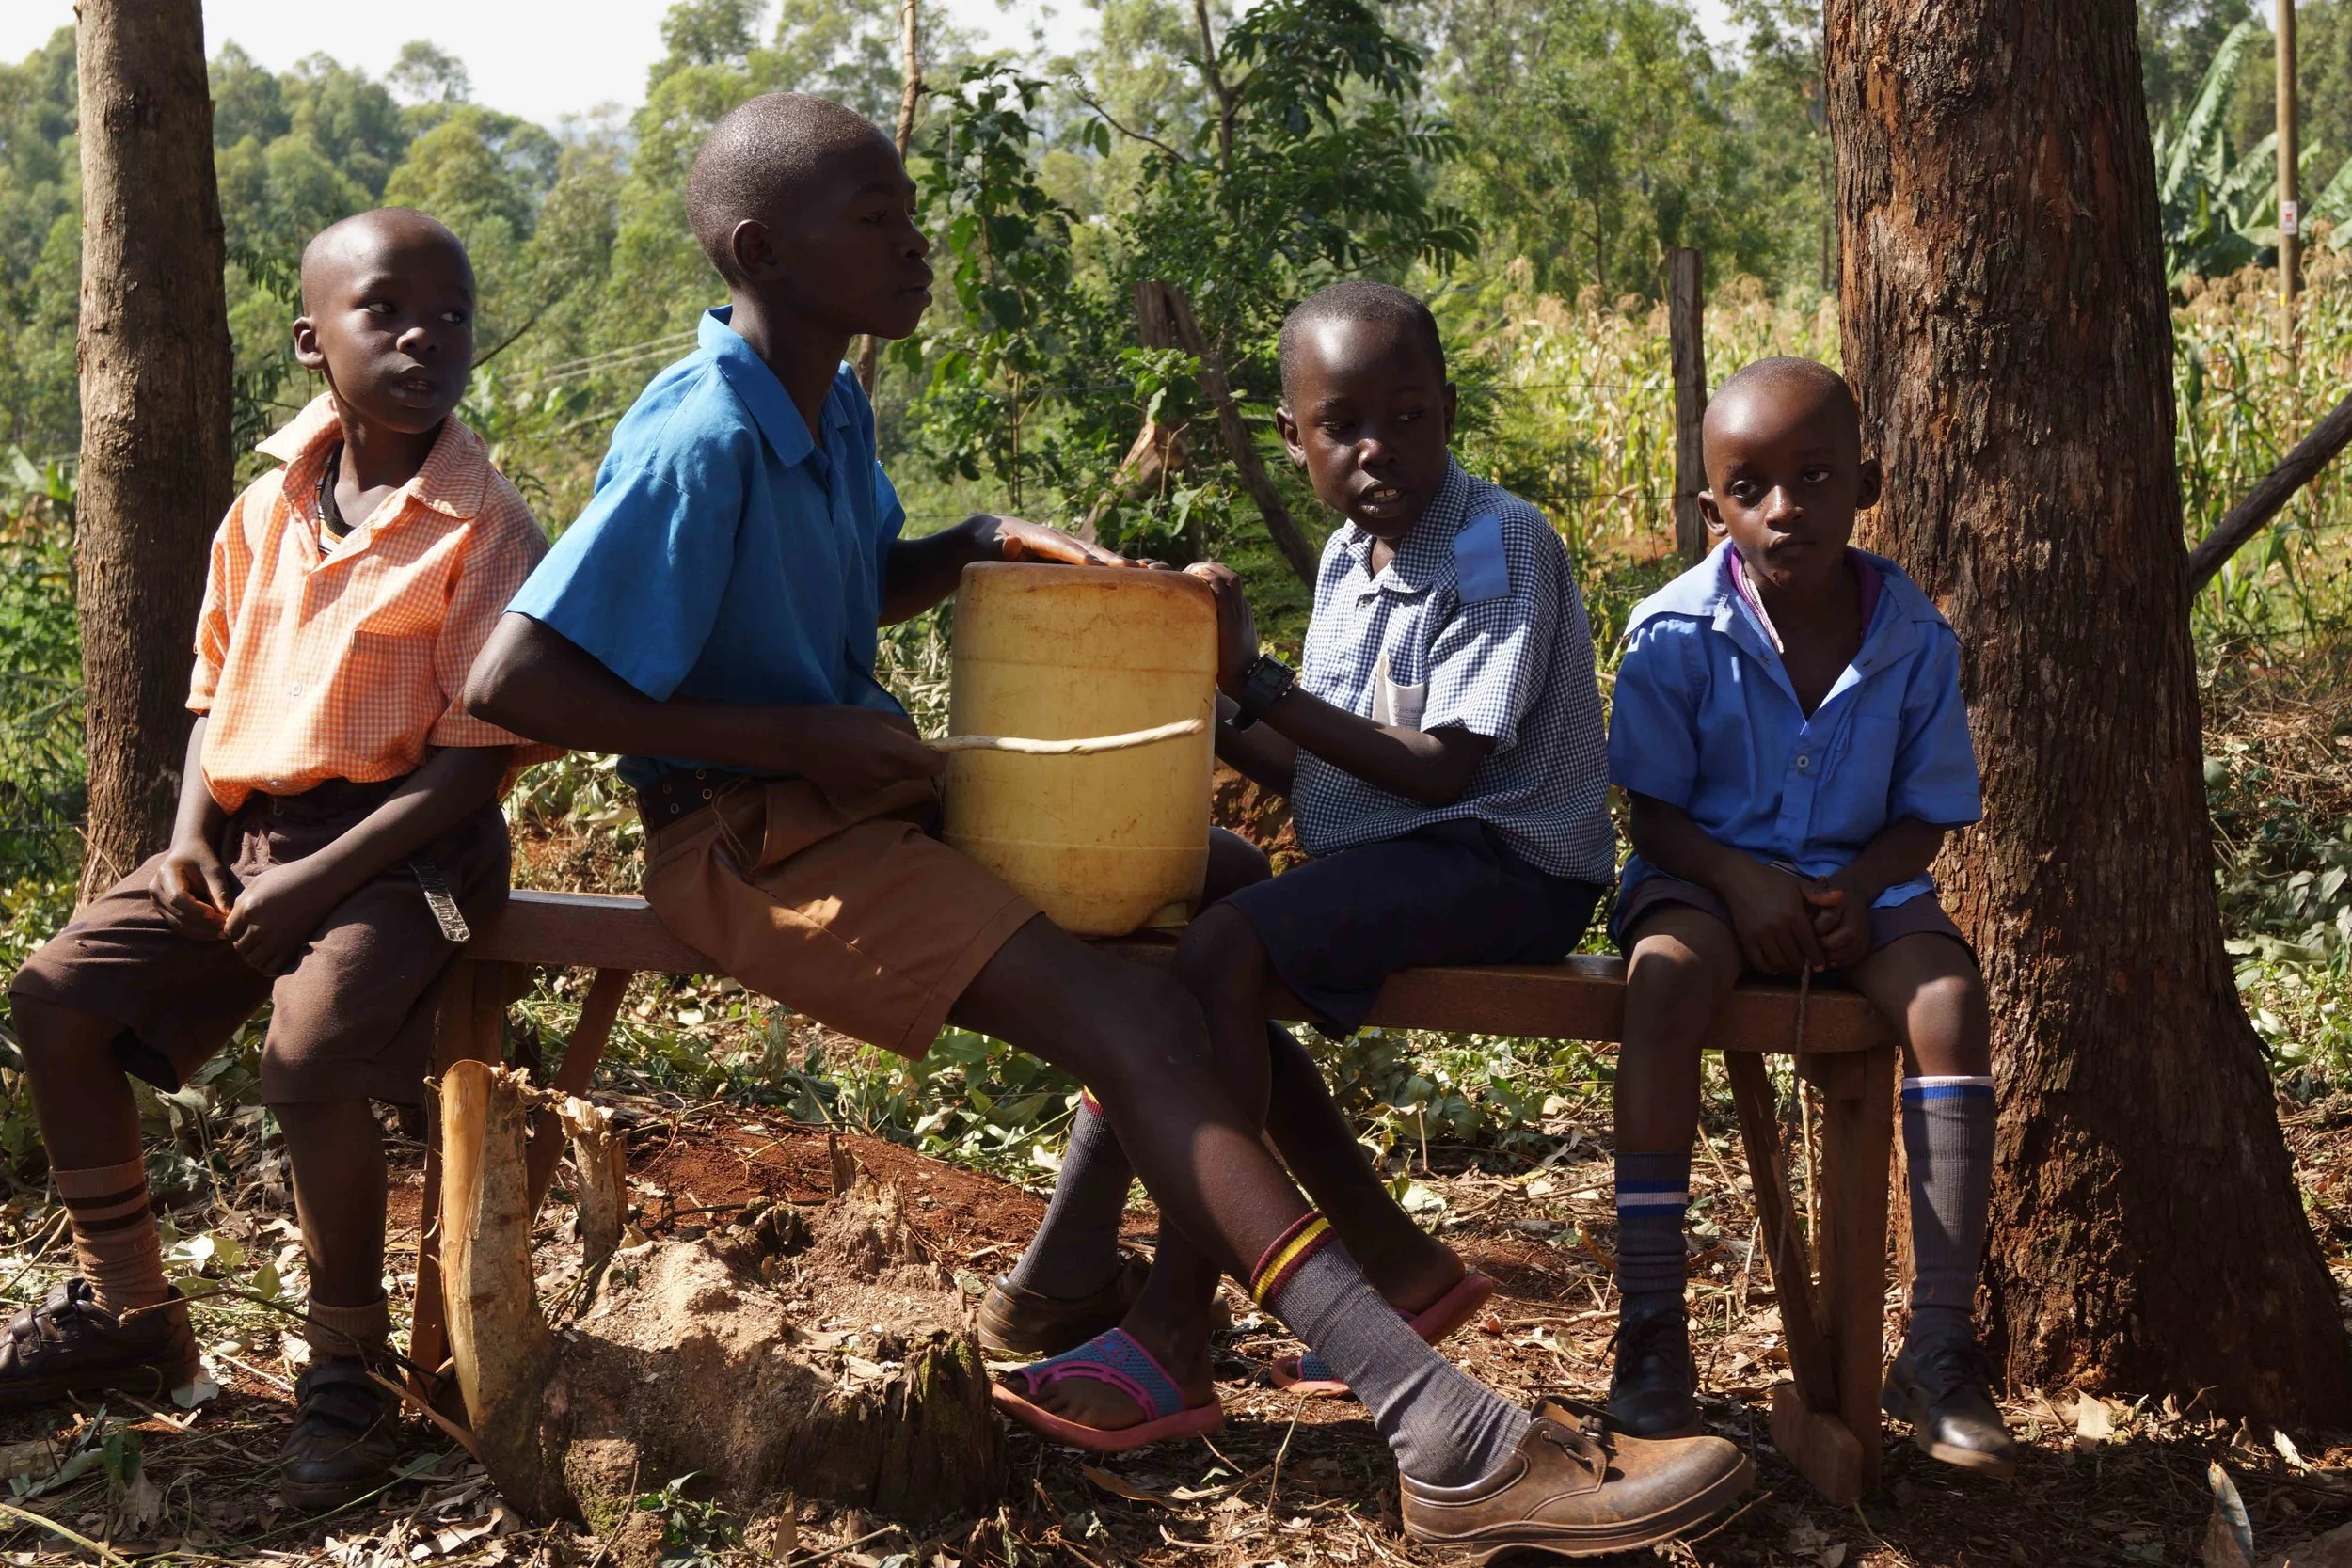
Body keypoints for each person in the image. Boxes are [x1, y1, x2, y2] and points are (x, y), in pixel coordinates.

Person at [462, 92, 1751, 1559]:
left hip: (851, 788)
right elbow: (516, 677)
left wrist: (967, 548)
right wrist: (786, 734)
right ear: (765, 248)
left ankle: (1140, 1281)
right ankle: (1437, 1424)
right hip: (754, 835)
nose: (916, 236)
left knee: (1211, 880)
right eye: (878, 217)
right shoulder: (703, 433)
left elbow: (846, 580)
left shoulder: (818, 407)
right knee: (1141, 1021)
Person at [4, 210, 556, 1507]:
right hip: (246, 837)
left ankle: (349, 1373)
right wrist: (192, 839)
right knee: (54, 996)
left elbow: (475, 758)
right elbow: (212, 694)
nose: (427, 332)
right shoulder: (265, 509)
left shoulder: (482, 525)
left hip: (406, 852)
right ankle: (131, 1307)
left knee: (307, 1059)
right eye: (387, 309)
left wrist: (314, 882)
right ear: (314, 340)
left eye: (453, 313)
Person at [991, 281, 1614, 1428]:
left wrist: (1254, 678)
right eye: (1343, 426)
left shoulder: (1494, 541)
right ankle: (1397, 1266)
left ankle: (1173, 1330)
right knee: (1202, 914)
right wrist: (1184, 670)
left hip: (1510, 860)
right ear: (1293, 439)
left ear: (1450, 411)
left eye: (1410, 415)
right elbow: (1318, 769)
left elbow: (1436, 769)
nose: (1380, 449)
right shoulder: (1345, 559)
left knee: (1225, 951)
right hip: (1408, 848)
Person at [1603, 356, 2015, 1476]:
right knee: (1664, 977)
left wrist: (1855, 890)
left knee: (1944, 996)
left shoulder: (1912, 638)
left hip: (1862, 885)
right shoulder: (1672, 633)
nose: (1784, 507)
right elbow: (1650, 813)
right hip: (1704, 879)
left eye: (1815, 476)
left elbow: (1925, 818)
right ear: (1711, 510)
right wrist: (1740, 880)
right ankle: (1651, 1331)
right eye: (1750, 487)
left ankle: (1935, 1347)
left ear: (1866, 483)